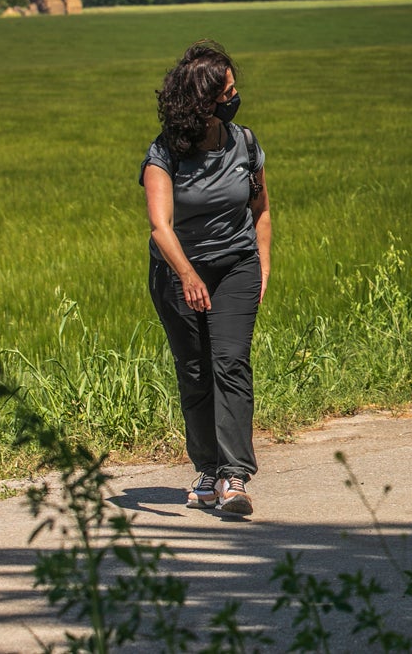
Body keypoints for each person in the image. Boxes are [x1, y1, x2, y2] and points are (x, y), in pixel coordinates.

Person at [141, 40, 271, 515]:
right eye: (228, 90)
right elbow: (160, 227)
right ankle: (208, 470)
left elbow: (260, 209)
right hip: (179, 273)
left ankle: (235, 477)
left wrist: (263, 261)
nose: (236, 96)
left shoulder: (246, 143)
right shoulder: (165, 154)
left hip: (236, 265)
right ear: (203, 101)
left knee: (230, 363)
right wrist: (188, 274)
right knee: (195, 370)